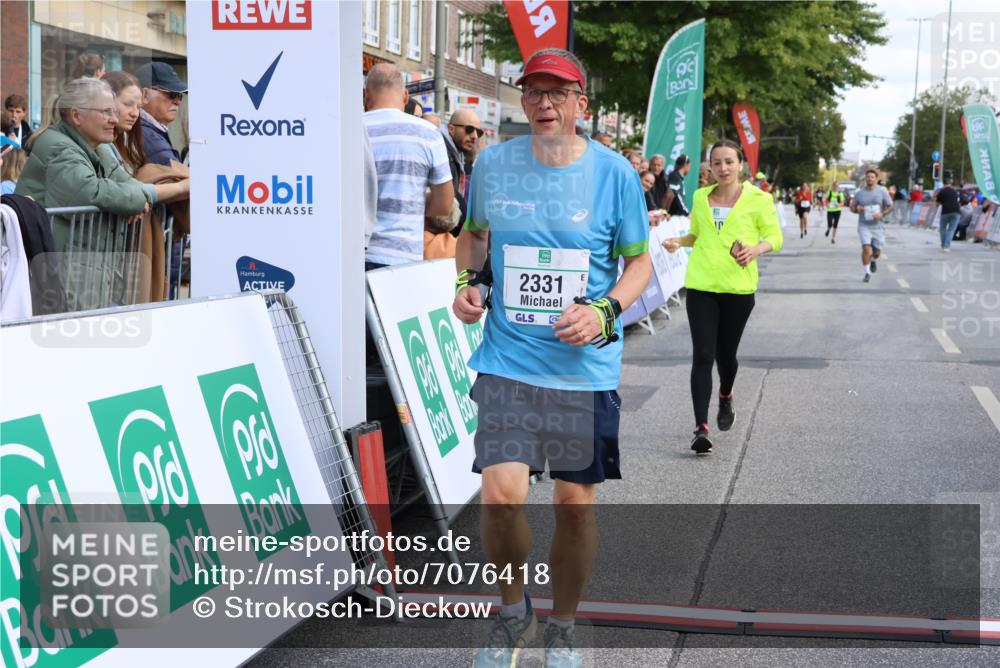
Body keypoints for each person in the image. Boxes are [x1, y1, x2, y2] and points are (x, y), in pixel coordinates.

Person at [453, 47, 651, 667]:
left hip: (581, 369)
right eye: (533, 91)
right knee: (500, 494)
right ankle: (514, 615)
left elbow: (640, 262)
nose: (543, 102)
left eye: (558, 92)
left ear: (580, 106)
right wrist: (467, 286)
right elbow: (474, 237)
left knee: (573, 505)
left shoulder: (615, 174)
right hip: (508, 359)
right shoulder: (493, 164)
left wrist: (605, 311)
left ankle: (562, 626)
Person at [662, 139, 782, 455]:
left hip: (738, 289)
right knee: (703, 354)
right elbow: (698, 235)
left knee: (726, 356)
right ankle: (701, 427)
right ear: (710, 167)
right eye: (717, 163)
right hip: (701, 285)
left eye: (729, 161)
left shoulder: (759, 198)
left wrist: (756, 249)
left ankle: (726, 394)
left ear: (739, 164)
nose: (723, 168)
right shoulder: (701, 197)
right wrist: (679, 241)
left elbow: (775, 237)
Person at [15, 78, 155, 308]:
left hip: (87, 272)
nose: (114, 119)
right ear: (76, 116)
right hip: (63, 276)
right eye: (105, 112)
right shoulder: (57, 147)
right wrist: (136, 200)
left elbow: (131, 185)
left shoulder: (100, 146)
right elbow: (93, 192)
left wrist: (137, 198)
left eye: (113, 111)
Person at [363, 64, 452, 269]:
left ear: (366, 95)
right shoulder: (428, 133)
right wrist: (413, 201)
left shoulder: (350, 128)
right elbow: (445, 205)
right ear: (405, 97)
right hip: (403, 259)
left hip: (355, 253)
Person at [136, 62, 186, 166]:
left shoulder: (149, 130)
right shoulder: (146, 135)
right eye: (171, 94)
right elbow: (176, 176)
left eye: (179, 95)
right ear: (144, 95)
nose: (178, 102)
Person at [849, 168, 893, 282]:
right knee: (866, 249)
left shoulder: (882, 192)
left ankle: (873, 260)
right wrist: (857, 209)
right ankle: (867, 273)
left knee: (877, 252)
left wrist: (882, 214)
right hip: (864, 225)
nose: (870, 179)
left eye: (872, 177)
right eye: (868, 177)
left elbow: (890, 206)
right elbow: (852, 208)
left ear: (876, 179)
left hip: (878, 226)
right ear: (865, 178)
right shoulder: (859, 193)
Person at [443, 108, 482, 225]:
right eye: (469, 129)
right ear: (451, 129)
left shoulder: (455, 154)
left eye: (478, 132)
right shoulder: (441, 152)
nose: (475, 136)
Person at [935, 177, 961, 252]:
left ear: (944, 184)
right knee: (951, 230)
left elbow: (937, 204)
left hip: (945, 212)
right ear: (950, 184)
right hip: (956, 212)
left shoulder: (941, 191)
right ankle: (946, 246)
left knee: (943, 229)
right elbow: (958, 201)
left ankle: (944, 245)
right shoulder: (955, 191)